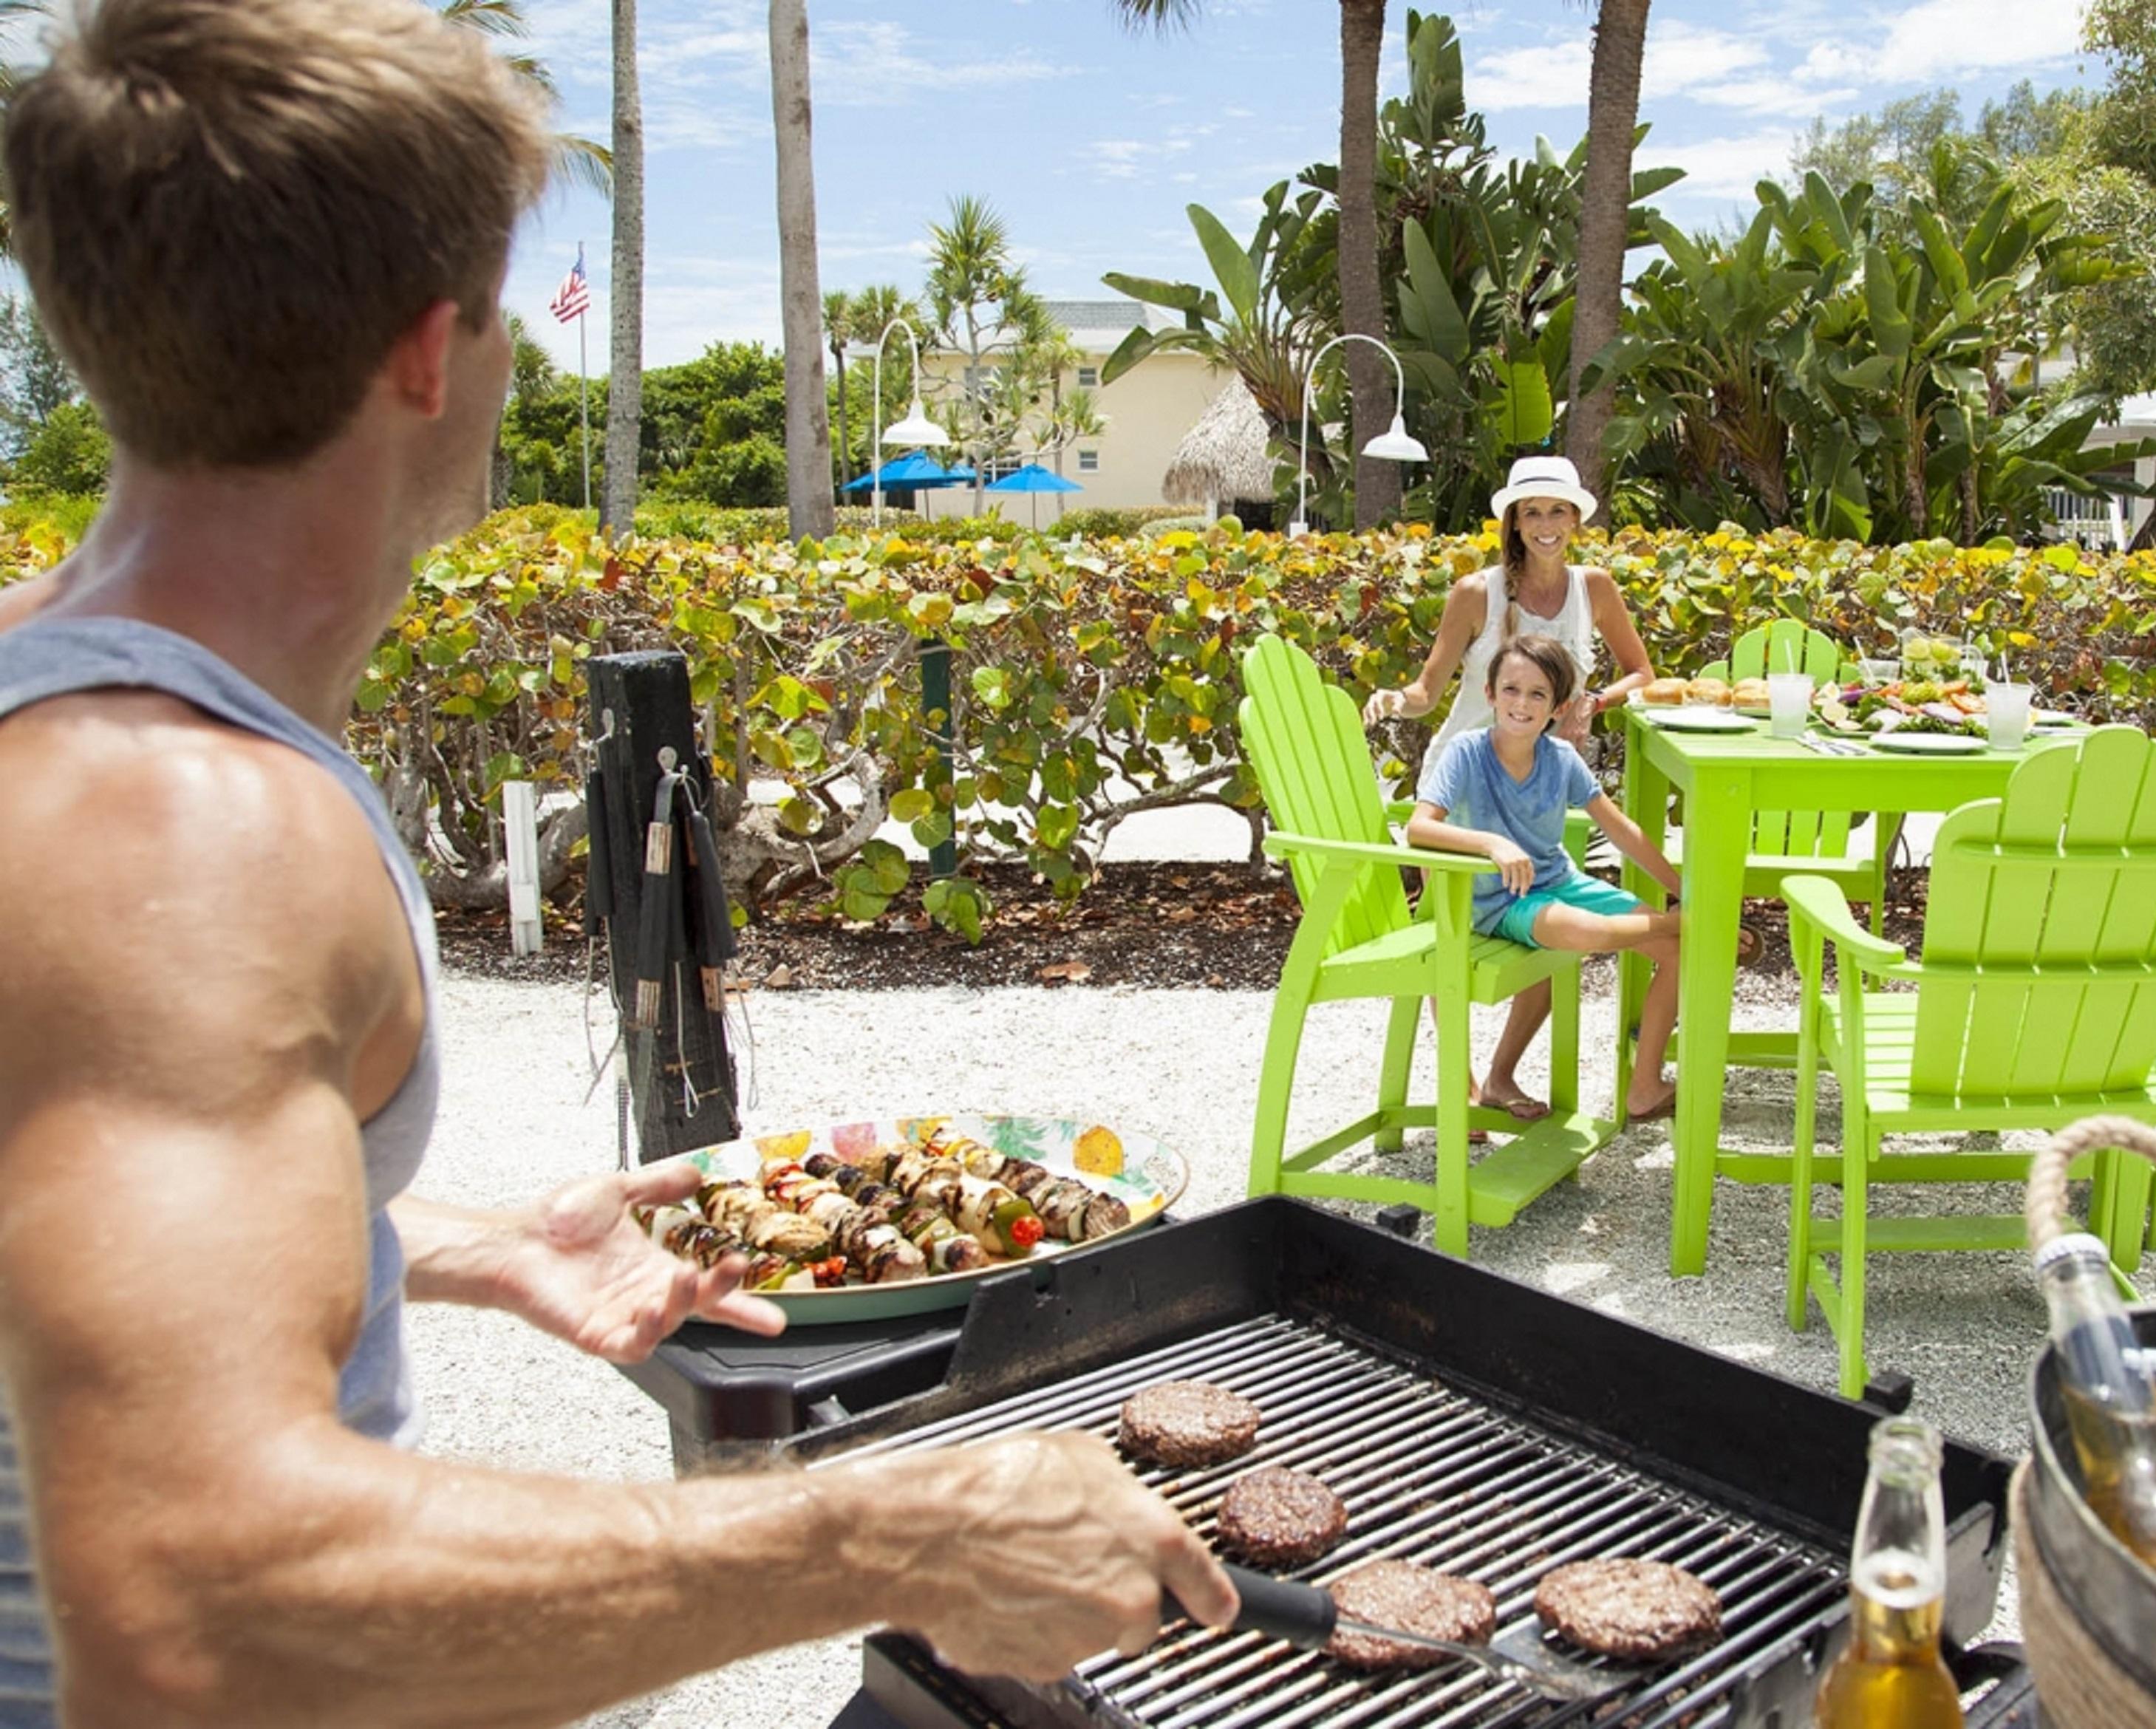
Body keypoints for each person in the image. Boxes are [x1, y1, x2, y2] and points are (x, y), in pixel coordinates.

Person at [0, 5, 1234, 1726]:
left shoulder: (51, 701)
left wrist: (419, 1232)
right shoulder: (181, 823)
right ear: (435, 353)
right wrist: (881, 1532)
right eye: (507, 310)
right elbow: (201, 1612)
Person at [1362, 456, 1657, 1121]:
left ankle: (1500, 1076)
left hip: (1544, 776)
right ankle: (1461, 1086)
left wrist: (1595, 701)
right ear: (1513, 524)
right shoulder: (1477, 593)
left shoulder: (1596, 588)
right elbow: (1427, 689)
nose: (1545, 525)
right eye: (1532, 513)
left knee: (1548, 923)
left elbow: (1641, 671)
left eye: (1557, 511)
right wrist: (1395, 700)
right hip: (1465, 781)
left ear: (1576, 519)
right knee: (1449, 935)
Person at [1404, 634, 1685, 1120]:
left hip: (1558, 883)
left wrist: (1684, 890)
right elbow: (1419, 827)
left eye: (1538, 694)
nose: (1522, 703)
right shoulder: (1467, 753)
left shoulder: (1561, 760)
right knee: (1579, 933)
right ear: (1489, 694)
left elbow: (1623, 833)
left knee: (1679, 955)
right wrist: (1492, 844)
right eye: (1511, 690)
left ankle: (1644, 1089)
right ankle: (1687, 922)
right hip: (1498, 902)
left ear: (1557, 708)